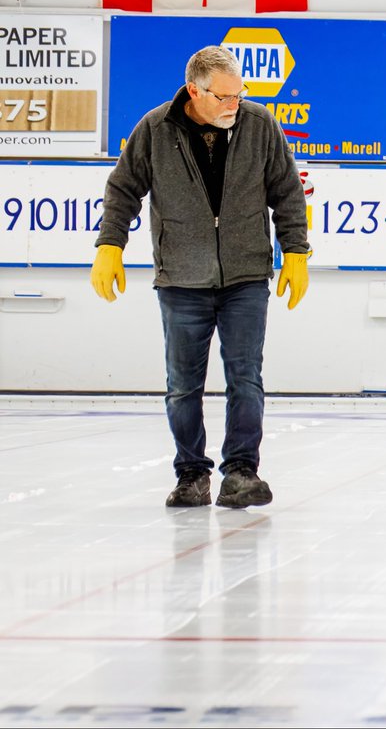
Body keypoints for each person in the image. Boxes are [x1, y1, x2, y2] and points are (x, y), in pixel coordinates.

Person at [89, 45, 310, 509]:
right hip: (181, 280)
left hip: (246, 276)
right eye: (224, 97)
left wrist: (295, 251)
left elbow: (287, 191)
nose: (235, 105)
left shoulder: (259, 125)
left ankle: (241, 473)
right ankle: (191, 475)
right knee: (182, 386)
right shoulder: (154, 129)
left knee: (246, 379)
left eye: (240, 94)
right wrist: (110, 245)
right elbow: (123, 190)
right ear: (194, 90)